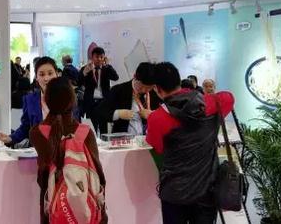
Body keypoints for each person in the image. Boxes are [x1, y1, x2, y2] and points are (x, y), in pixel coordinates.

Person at [146, 62, 234, 224]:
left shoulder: (156, 118)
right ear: (179, 80)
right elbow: (228, 97)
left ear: (157, 89)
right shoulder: (210, 103)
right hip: (206, 189)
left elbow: (157, 147)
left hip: (175, 191)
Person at [29, 77, 107, 224]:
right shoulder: (86, 132)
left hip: (54, 209)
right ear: (73, 101)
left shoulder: (36, 133)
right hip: (86, 209)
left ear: (45, 101)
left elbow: (44, 176)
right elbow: (98, 174)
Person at [0, 56, 79, 146]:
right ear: (36, 78)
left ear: (57, 74)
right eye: (42, 74)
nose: (46, 78)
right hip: (36, 149)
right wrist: (10, 138)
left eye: (50, 73)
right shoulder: (29, 99)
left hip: (63, 148)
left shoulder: (67, 97)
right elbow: (25, 127)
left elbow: (75, 126)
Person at [95, 62, 161, 135]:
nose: (144, 90)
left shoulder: (155, 93)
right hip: (124, 138)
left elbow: (165, 114)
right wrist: (118, 114)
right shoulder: (119, 90)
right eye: (141, 86)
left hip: (149, 138)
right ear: (135, 76)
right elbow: (100, 112)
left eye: (148, 88)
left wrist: (152, 115)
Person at [78, 47, 119, 135]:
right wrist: (84, 72)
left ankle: (104, 142)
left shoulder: (106, 68)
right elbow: (78, 82)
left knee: (104, 128)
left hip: (104, 102)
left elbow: (116, 77)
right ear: (92, 57)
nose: (99, 59)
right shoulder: (86, 68)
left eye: (101, 57)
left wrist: (107, 65)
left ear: (104, 58)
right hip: (90, 102)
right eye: (97, 57)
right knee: (92, 129)